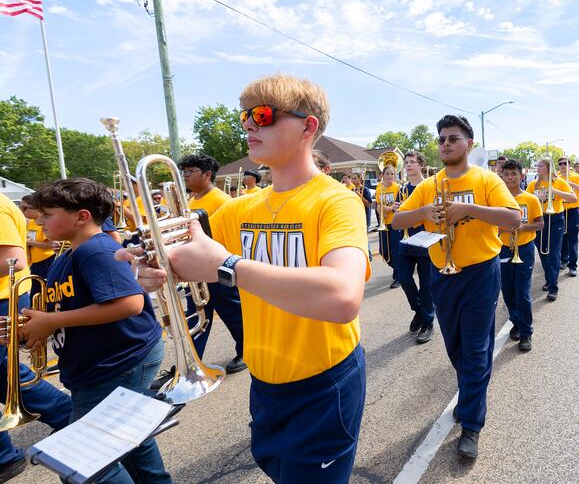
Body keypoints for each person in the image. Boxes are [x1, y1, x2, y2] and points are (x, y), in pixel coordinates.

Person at [122, 74, 370, 483]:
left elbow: (343, 298)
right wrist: (149, 265)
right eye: (245, 116)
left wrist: (226, 267)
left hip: (324, 381)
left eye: (263, 115)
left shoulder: (336, 201)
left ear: (308, 127)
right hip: (266, 380)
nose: (249, 125)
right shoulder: (240, 209)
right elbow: (184, 258)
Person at [22, 179, 172, 483]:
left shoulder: (96, 250)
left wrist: (51, 322)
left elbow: (129, 303)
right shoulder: (66, 257)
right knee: (131, 443)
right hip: (98, 363)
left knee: (85, 460)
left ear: (82, 216)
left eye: (48, 214)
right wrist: (33, 329)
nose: (39, 221)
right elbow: (66, 310)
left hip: (116, 362)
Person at [393, 115, 520, 460]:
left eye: (453, 138)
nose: (446, 143)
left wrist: (468, 209)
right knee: (456, 347)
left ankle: (472, 424)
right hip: (442, 275)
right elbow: (396, 220)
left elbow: (513, 218)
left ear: (469, 144)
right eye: (441, 139)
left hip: (480, 273)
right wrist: (425, 211)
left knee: (476, 349)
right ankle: (470, 396)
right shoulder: (428, 185)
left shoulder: (487, 179)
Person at [0, 192, 73, 483]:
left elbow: (12, 260)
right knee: (5, 374)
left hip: (4, 298)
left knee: (7, 374)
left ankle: (69, 417)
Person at [171, 154, 245, 379]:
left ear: (207, 174)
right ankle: (188, 367)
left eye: (189, 171)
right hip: (198, 271)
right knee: (196, 319)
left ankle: (247, 351)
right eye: (183, 171)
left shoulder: (222, 201)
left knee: (234, 315)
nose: (184, 176)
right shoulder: (192, 201)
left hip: (218, 269)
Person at [499, 159, 543, 352]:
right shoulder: (497, 200)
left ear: (521, 176)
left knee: (522, 292)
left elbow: (540, 224)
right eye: (506, 174)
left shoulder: (530, 199)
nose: (510, 178)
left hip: (524, 248)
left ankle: (526, 332)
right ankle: (516, 321)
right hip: (502, 248)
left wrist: (523, 227)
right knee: (507, 291)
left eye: (514, 174)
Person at [394, 151, 435, 344]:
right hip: (406, 238)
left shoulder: (430, 187)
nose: (408, 165)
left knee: (426, 285)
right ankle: (419, 311)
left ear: (421, 165)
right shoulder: (402, 189)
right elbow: (398, 217)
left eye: (412, 162)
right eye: (407, 162)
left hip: (426, 239)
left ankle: (427, 322)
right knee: (403, 278)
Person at [526, 159, 576, 301]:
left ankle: (553, 287)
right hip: (539, 219)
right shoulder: (533, 184)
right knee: (543, 252)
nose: (538, 167)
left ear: (548, 167)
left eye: (540, 165)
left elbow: (573, 198)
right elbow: (524, 200)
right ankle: (549, 279)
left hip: (555, 219)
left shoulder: (559, 182)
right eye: (538, 165)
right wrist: (536, 197)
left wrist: (554, 191)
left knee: (553, 254)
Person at [557, 158, 579, 277]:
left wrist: (572, 184)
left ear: (569, 165)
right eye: (560, 164)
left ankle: (572, 266)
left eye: (565, 163)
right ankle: (564, 260)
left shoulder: (575, 176)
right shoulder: (556, 176)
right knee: (562, 238)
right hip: (559, 210)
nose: (563, 165)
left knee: (572, 238)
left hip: (572, 210)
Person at [376, 164, 401, 288]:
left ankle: (398, 276)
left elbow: (400, 206)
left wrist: (389, 208)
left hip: (395, 223)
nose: (390, 176)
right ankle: (401, 269)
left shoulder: (398, 188)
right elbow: (378, 206)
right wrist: (381, 209)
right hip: (383, 224)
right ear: (382, 175)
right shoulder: (379, 188)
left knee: (396, 252)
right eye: (387, 174)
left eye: (392, 174)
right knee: (384, 252)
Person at [19, 195, 55, 280]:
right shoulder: (31, 222)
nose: (22, 211)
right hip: (36, 262)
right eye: (21, 207)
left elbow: (51, 245)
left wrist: (29, 242)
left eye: (24, 208)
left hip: (47, 260)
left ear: (36, 208)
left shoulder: (45, 222)